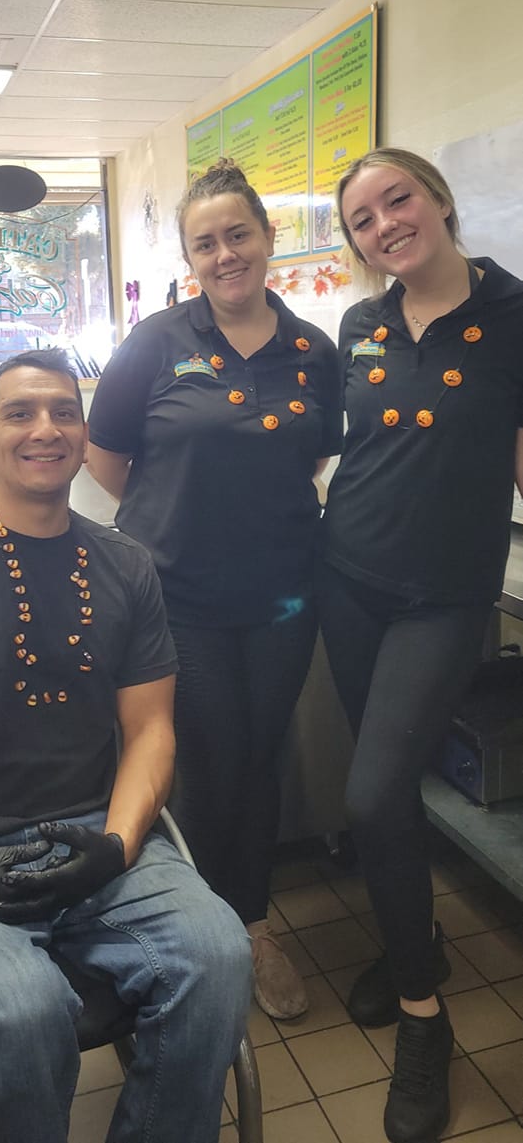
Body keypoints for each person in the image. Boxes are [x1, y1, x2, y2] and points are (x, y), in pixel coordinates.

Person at [0, 347, 252, 1143]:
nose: (44, 428)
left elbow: (150, 729)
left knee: (219, 954)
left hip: (88, 838)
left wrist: (117, 844)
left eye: (63, 412)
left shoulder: (125, 563)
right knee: (25, 1008)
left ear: (85, 437)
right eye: (19, 412)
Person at [87, 158, 342, 1020]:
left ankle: (252, 926)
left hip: (282, 595)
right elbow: (105, 454)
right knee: (202, 760)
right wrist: (171, 515)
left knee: (259, 756)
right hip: (177, 597)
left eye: (238, 235)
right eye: (206, 243)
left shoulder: (312, 350)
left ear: (268, 238)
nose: (225, 253)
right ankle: (198, 940)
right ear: (190, 258)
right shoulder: (156, 341)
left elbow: (310, 456)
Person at [319, 148, 523, 1143]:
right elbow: (355, 446)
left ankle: (421, 1017)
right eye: (361, 218)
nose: (383, 224)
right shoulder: (360, 323)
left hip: (441, 597)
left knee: (368, 793)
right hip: (346, 579)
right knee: (386, 794)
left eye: (395, 199)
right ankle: (417, 944)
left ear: (437, 199)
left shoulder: (512, 315)